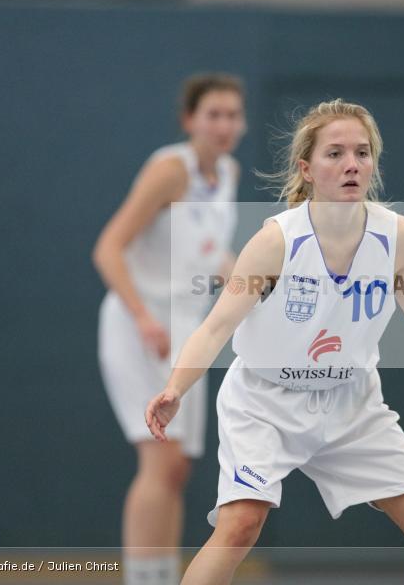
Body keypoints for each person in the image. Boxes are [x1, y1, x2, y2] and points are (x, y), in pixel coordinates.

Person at [145, 98, 404, 585]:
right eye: (335, 153)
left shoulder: (397, 236)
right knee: (240, 526)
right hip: (264, 402)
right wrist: (177, 387)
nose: (352, 164)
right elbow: (216, 326)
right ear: (307, 168)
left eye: (362, 153)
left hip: (351, 401)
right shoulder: (277, 241)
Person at [93, 73, 246, 585]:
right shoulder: (167, 169)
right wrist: (141, 316)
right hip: (142, 326)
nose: (224, 125)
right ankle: (143, 578)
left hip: (187, 328)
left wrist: (257, 285)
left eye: (232, 115)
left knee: (178, 468)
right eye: (213, 115)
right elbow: (108, 247)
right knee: (160, 461)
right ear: (190, 120)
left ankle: (164, 575)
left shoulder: (227, 172)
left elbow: (207, 251)